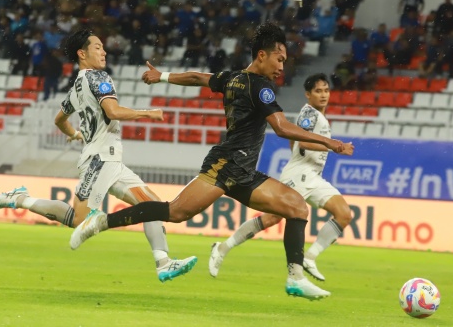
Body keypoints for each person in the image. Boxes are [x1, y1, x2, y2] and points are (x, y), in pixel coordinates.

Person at [70, 22, 350, 300]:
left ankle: (295, 278)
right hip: (224, 166)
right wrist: (329, 142)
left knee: (297, 207)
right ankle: (100, 223)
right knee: (176, 211)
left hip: (243, 171)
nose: (282, 67)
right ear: (262, 55)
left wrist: (163, 76)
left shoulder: (233, 78)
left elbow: (197, 78)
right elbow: (281, 127)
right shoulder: (260, 88)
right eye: (279, 59)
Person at [0, 29, 197, 282]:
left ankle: (163, 262)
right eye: (97, 47)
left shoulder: (77, 85)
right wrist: (149, 113)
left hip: (110, 160)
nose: (104, 51)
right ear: (82, 53)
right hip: (99, 160)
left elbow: (59, 119)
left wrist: (77, 134)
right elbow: (114, 111)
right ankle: (19, 199)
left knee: (153, 207)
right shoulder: (98, 77)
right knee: (78, 220)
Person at [208, 74, 353, 286]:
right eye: (318, 91)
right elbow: (302, 143)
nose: (323, 95)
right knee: (271, 219)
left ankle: (309, 258)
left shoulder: (319, 116)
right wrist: (332, 145)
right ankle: (222, 247)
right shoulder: (309, 113)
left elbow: (294, 140)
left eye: (326, 90)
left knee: (344, 214)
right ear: (308, 94)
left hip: (314, 176)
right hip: (299, 176)